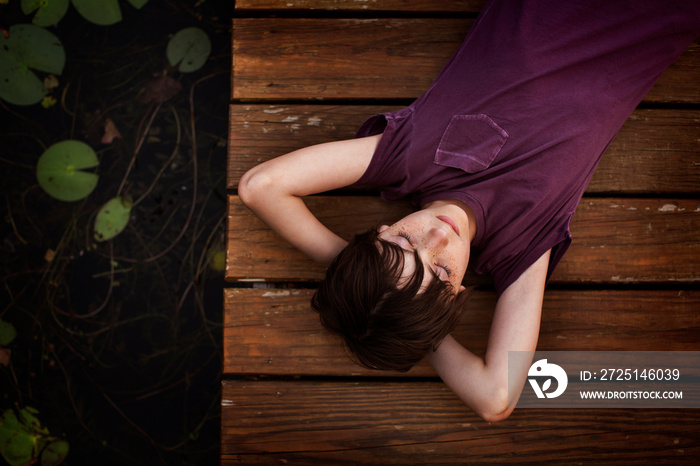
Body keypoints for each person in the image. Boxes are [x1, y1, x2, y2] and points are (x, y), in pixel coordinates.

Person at [239, 0, 700, 421]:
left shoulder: (409, 158)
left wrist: (348, 261)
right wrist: (423, 325)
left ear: (380, 231)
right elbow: (495, 396)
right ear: (459, 292)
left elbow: (261, 187)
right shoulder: (523, 245)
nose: (437, 239)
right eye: (440, 274)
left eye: (403, 243)